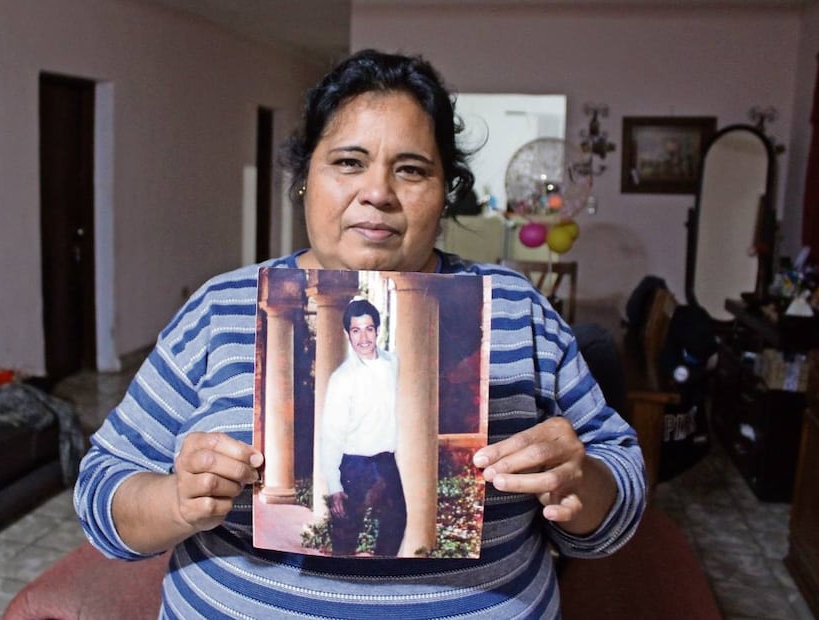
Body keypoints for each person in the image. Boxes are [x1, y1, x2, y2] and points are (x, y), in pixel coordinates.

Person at [75, 48, 646, 619]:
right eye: (348, 162)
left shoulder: (514, 308)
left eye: (412, 169)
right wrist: (177, 501)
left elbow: (617, 483)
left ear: (447, 191)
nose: (378, 192)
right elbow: (103, 485)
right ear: (304, 180)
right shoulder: (221, 308)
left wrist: (583, 485)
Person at [319, 298, 406, 556]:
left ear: (378, 330)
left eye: (369, 329)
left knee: (397, 519)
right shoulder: (341, 379)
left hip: (386, 462)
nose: (363, 337)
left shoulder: (395, 365)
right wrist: (335, 486)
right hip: (353, 465)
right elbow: (331, 436)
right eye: (356, 330)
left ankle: (381, 574)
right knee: (345, 530)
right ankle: (341, 582)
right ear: (348, 334)